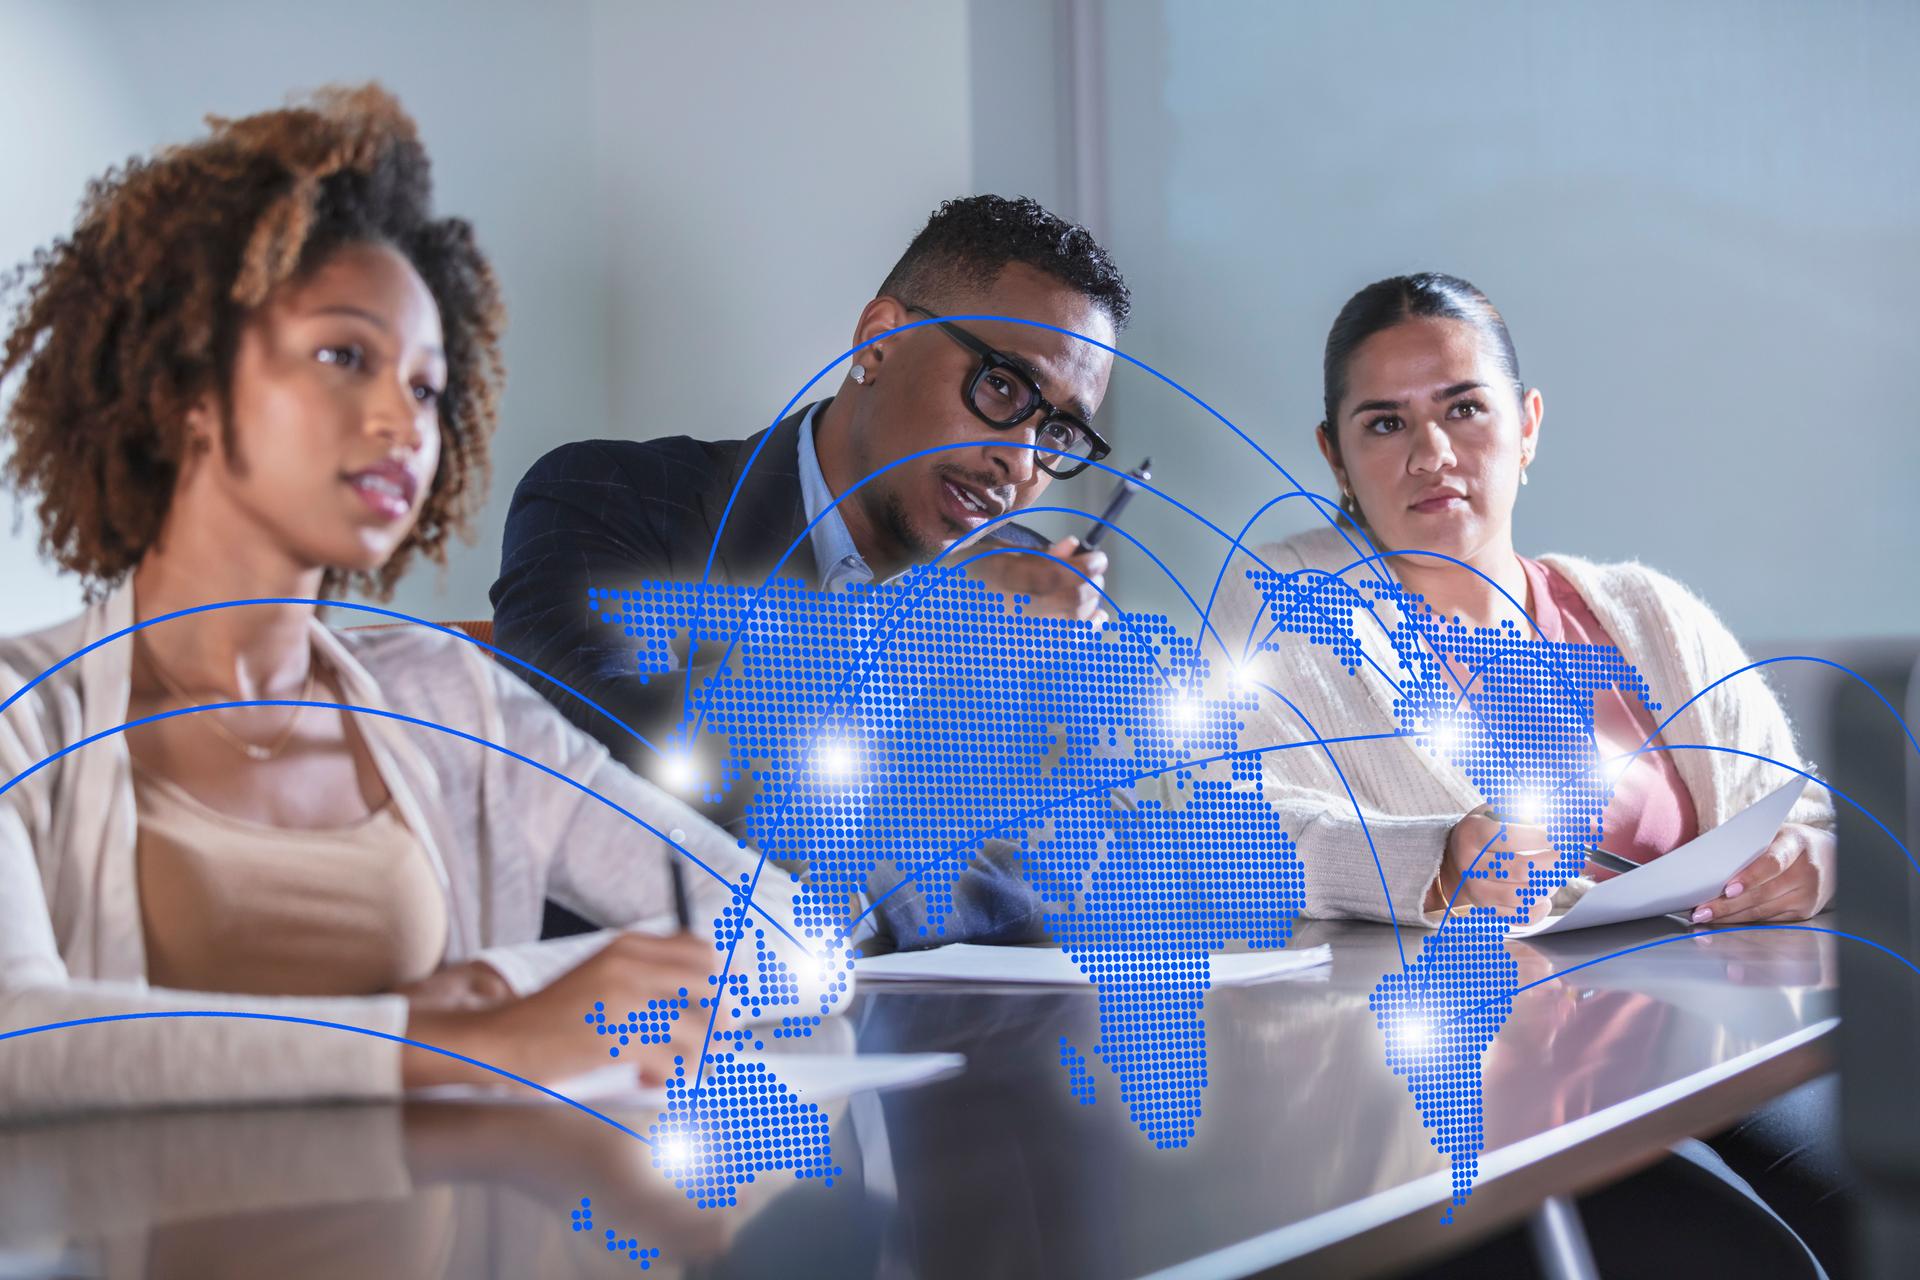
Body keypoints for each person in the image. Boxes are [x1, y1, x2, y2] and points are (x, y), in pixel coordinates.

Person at [0, 85, 838, 1117]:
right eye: (345, 356)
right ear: (191, 388)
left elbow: (798, 942)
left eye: (428, 387)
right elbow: (22, 1036)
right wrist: (463, 1037)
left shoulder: (451, 703)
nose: (403, 419)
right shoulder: (20, 714)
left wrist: (497, 990)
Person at [1211, 271, 1842, 1271]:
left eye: (1464, 408)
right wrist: (1440, 855)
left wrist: (1807, 853)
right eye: (1385, 424)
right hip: (1493, 1101)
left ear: (1528, 421)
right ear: (1333, 453)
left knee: (1875, 1202)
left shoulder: (1643, 612)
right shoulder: (1287, 611)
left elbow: (1799, 804)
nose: (1433, 454)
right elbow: (1229, 823)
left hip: (1721, 1057)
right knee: (1766, 1255)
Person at [489, 195, 1132, 812]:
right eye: (1000, 385)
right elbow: (602, 773)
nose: (1019, 465)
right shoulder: (607, 498)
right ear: (878, 343)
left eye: (1058, 432)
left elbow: (1106, 855)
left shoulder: (1035, 589)